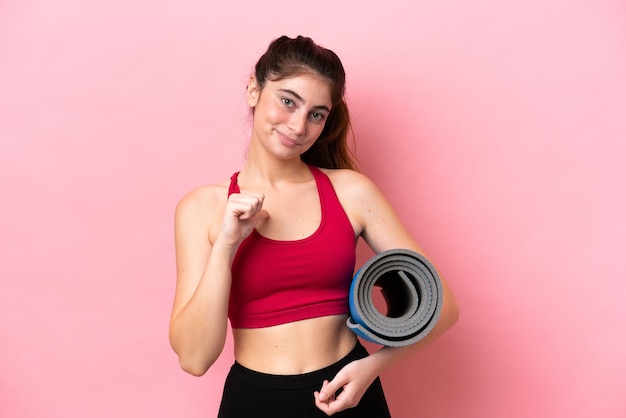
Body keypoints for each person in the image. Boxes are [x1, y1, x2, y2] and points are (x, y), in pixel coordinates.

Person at [169, 35, 459, 417]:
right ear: (254, 89)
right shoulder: (202, 207)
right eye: (288, 101)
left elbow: (443, 306)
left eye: (316, 114)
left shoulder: (351, 192)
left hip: (347, 393)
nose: (298, 125)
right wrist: (226, 244)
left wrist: (372, 368)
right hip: (255, 402)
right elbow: (194, 359)